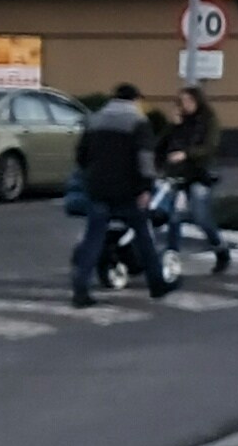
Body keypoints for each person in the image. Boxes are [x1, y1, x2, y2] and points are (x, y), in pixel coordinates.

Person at [71, 81, 169, 306]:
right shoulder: (138, 122)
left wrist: (92, 175)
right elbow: (145, 159)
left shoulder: (94, 120)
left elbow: (81, 155)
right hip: (128, 191)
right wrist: (145, 187)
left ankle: (80, 290)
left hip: (98, 189)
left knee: (93, 239)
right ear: (135, 100)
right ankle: (157, 284)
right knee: (143, 237)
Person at [157, 83, 232, 274]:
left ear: (198, 100)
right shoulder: (178, 122)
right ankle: (172, 257)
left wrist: (187, 154)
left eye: (189, 100)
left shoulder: (208, 120)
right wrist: (171, 126)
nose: (186, 104)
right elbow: (161, 146)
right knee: (174, 216)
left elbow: (209, 147)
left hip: (199, 174)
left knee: (201, 217)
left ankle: (220, 248)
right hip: (176, 175)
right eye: (182, 101)